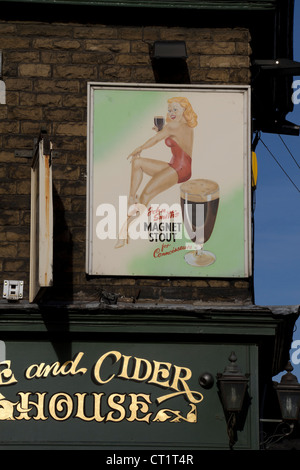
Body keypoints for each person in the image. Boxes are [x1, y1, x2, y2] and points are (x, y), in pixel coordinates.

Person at [115, 96, 198, 248]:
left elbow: (155, 140)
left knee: (146, 194)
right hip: (175, 165)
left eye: (175, 109)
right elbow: (172, 137)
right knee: (137, 162)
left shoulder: (173, 126)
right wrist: (161, 130)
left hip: (180, 169)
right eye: (169, 109)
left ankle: (124, 230)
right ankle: (132, 198)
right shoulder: (181, 125)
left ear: (184, 110)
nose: (171, 112)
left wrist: (139, 148)